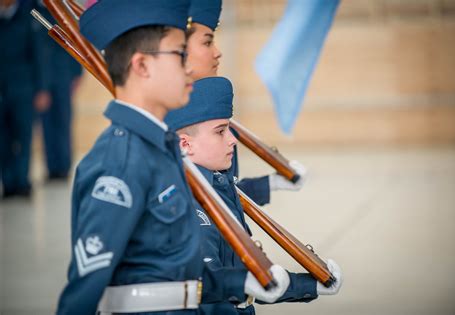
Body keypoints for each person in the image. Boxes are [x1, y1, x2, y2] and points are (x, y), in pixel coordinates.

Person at [56, 1, 289, 314]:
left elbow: (184, 272)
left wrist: (242, 282)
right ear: (141, 66)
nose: (189, 66)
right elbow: (83, 293)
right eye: (180, 54)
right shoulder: (121, 161)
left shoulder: (161, 149)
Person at [165, 76, 343, 315]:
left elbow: (247, 277)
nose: (232, 140)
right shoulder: (190, 205)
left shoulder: (217, 186)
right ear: (185, 144)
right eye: (221, 131)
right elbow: (211, 293)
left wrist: (310, 285)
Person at [185, 0, 307, 207]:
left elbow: (221, 193)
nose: (217, 52)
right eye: (207, 42)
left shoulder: (207, 110)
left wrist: (269, 184)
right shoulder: (170, 122)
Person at [34, 2, 83, 180]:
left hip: (63, 74)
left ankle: (64, 166)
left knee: (63, 120)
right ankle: (52, 167)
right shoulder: (32, 9)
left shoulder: (64, 10)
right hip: (43, 77)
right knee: (46, 123)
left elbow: (75, 41)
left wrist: (77, 72)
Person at [0, 0, 42, 198]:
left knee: (24, 137)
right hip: (2, 90)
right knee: (3, 139)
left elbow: (39, 56)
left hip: (24, 90)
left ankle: (22, 182)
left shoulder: (28, 16)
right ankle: (8, 184)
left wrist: (41, 89)